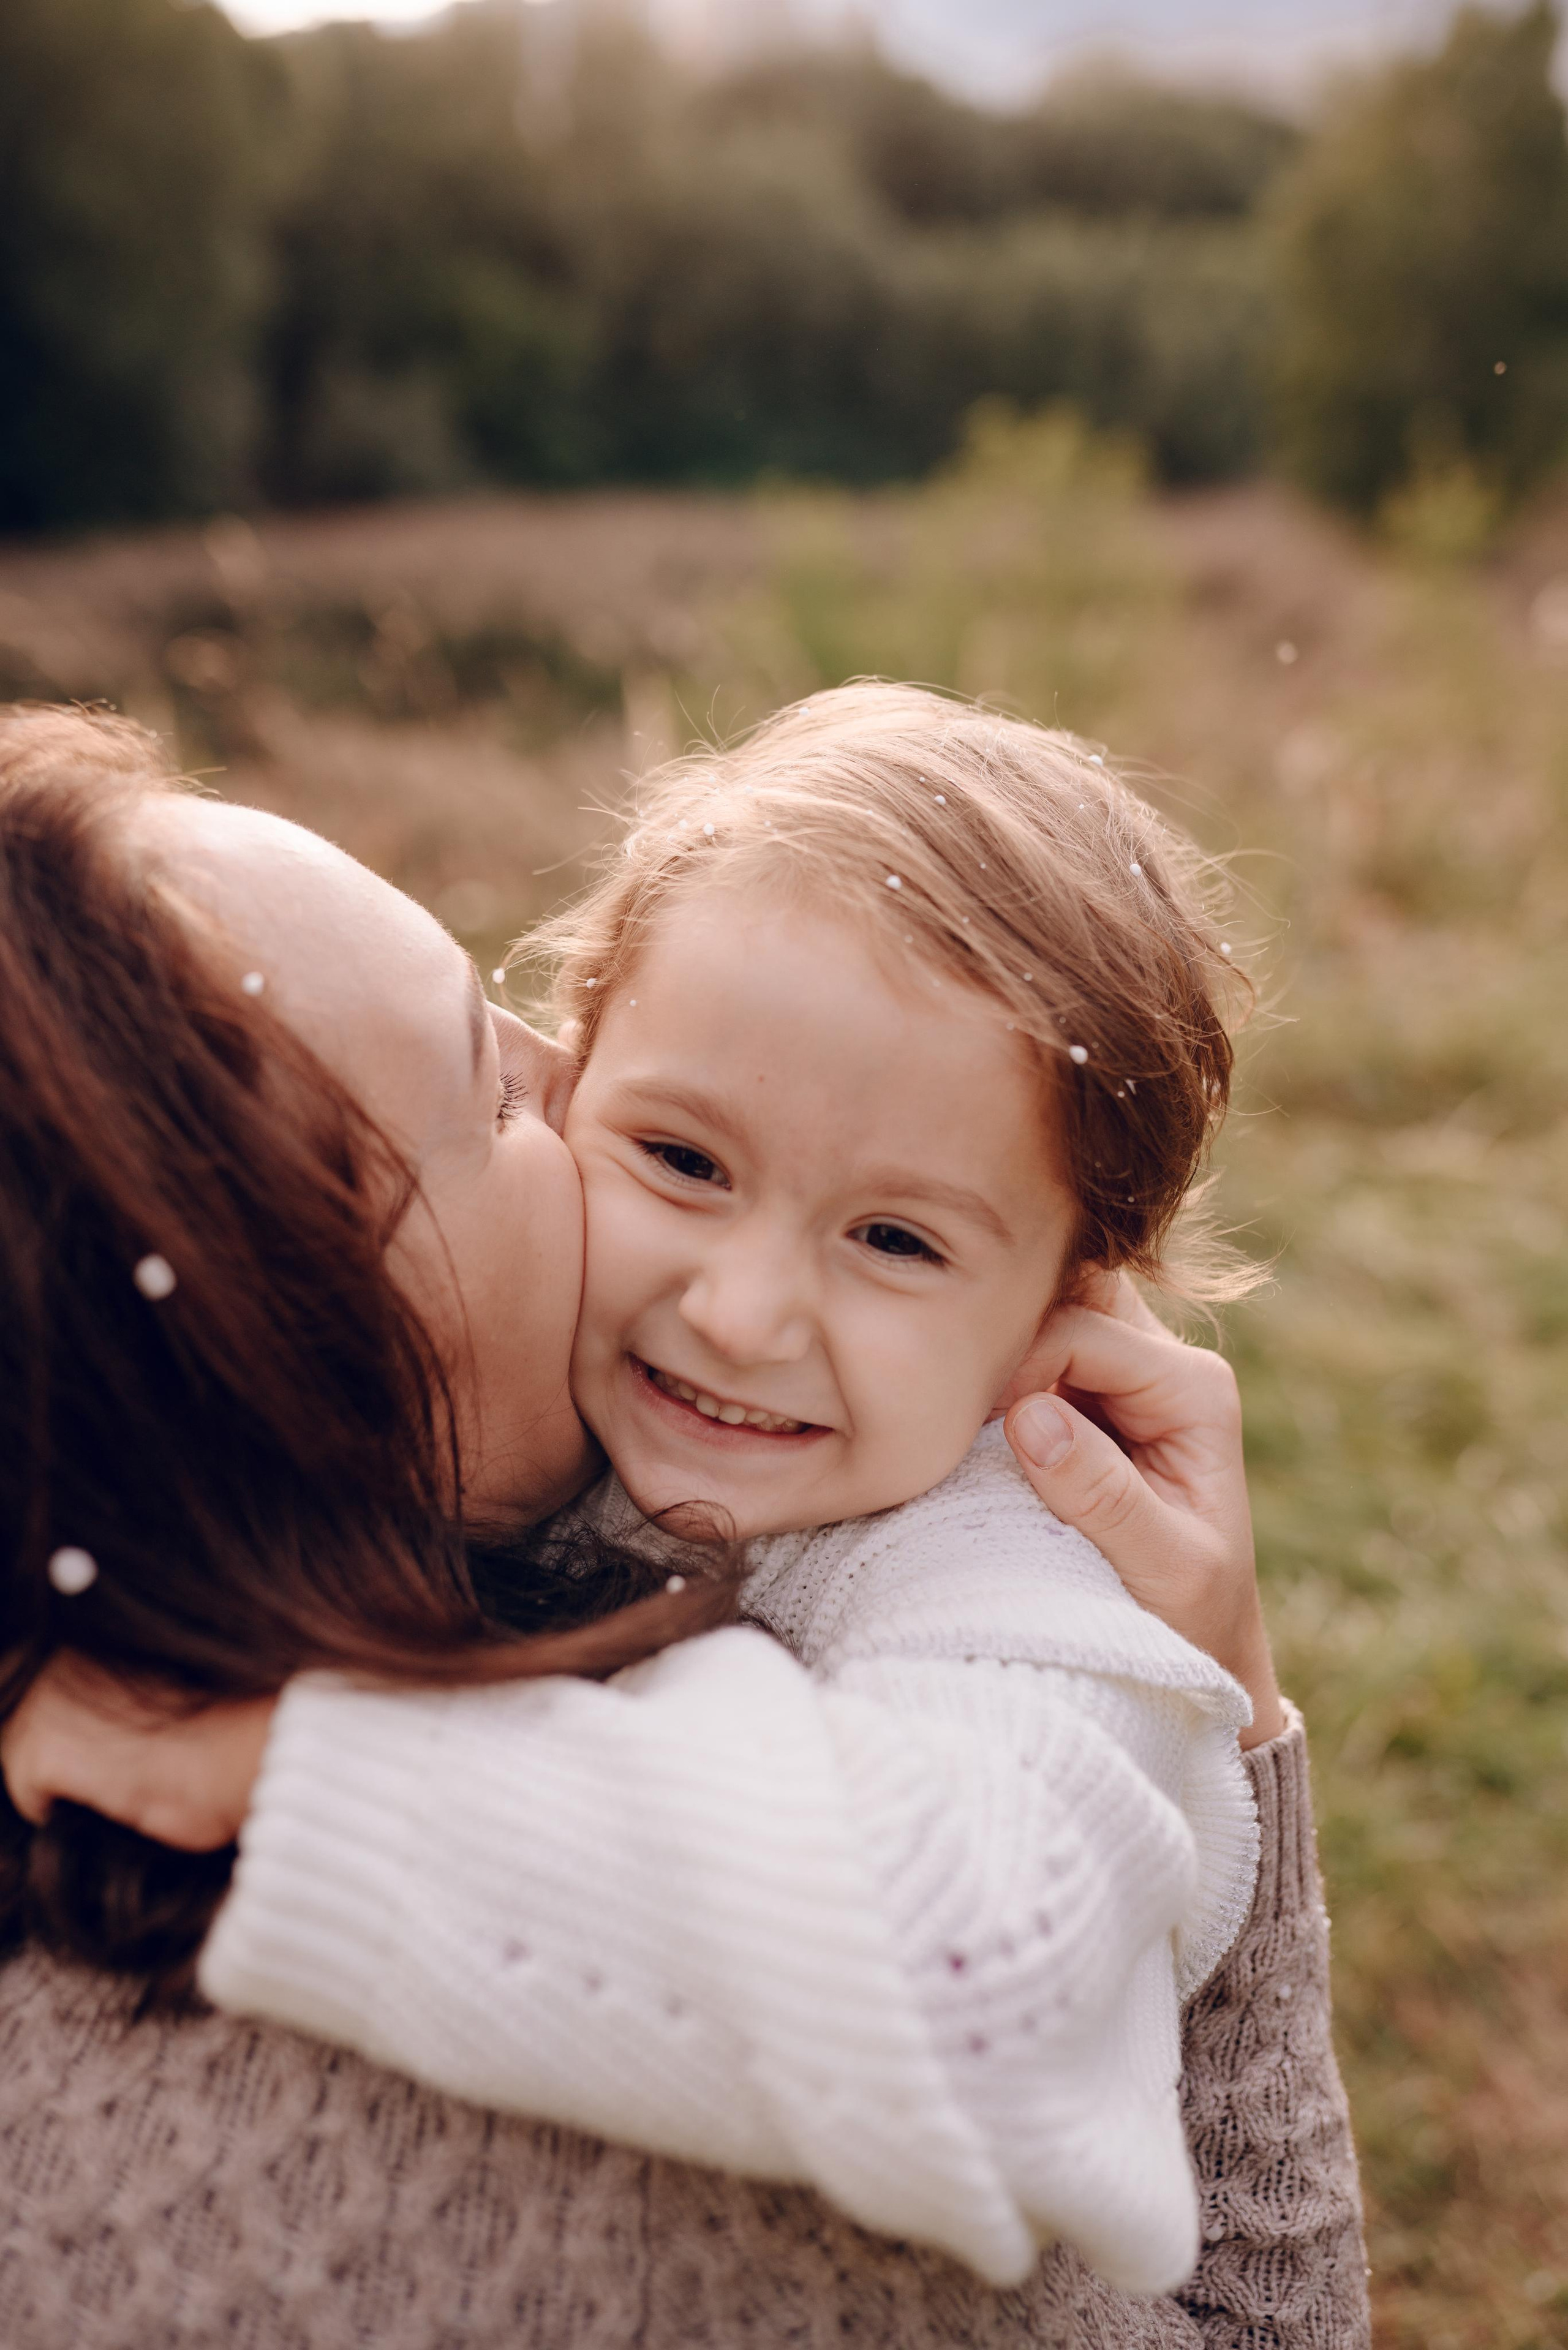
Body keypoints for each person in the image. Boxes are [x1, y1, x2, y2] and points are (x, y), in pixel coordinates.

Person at [0, 702, 1370, 2346]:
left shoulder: (996, 1554)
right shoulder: (534, 2195)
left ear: (1075, 1297)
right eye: (662, 1148)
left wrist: (310, 1768)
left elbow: (987, 1977)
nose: (737, 1309)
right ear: (264, 1332)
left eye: (896, 1239)